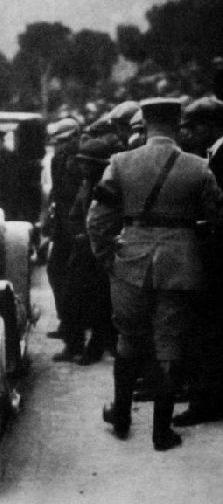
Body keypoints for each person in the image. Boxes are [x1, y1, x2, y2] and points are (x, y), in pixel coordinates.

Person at [88, 98, 223, 450]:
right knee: (170, 344)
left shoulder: (119, 163)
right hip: (181, 265)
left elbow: (97, 221)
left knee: (128, 338)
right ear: (177, 125)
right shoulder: (198, 167)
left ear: (145, 125)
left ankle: (121, 415)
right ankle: (162, 433)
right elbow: (218, 220)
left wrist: (108, 257)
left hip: (130, 259)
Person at [172, 97, 223, 426]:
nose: (187, 134)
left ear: (212, 126)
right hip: (211, 251)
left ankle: (207, 402)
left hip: (217, 255)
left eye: (193, 126)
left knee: (209, 330)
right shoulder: (212, 155)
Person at [59, 139, 117, 365]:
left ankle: (95, 348)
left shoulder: (112, 186)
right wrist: (78, 234)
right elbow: (75, 214)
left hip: (103, 252)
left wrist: (99, 238)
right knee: (71, 299)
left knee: (101, 305)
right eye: (81, 163)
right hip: (83, 251)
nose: (82, 167)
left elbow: (116, 219)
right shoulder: (86, 184)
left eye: (88, 163)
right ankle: (73, 344)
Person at [44, 118, 81, 347]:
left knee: (74, 282)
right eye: (58, 141)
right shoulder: (58, 159)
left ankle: (74, 334)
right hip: (62, 227)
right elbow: (57, 194)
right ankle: (66, 323)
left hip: (77, 228)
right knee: (55, 272)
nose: (61, 145)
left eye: (65, 140)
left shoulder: (80, 160)